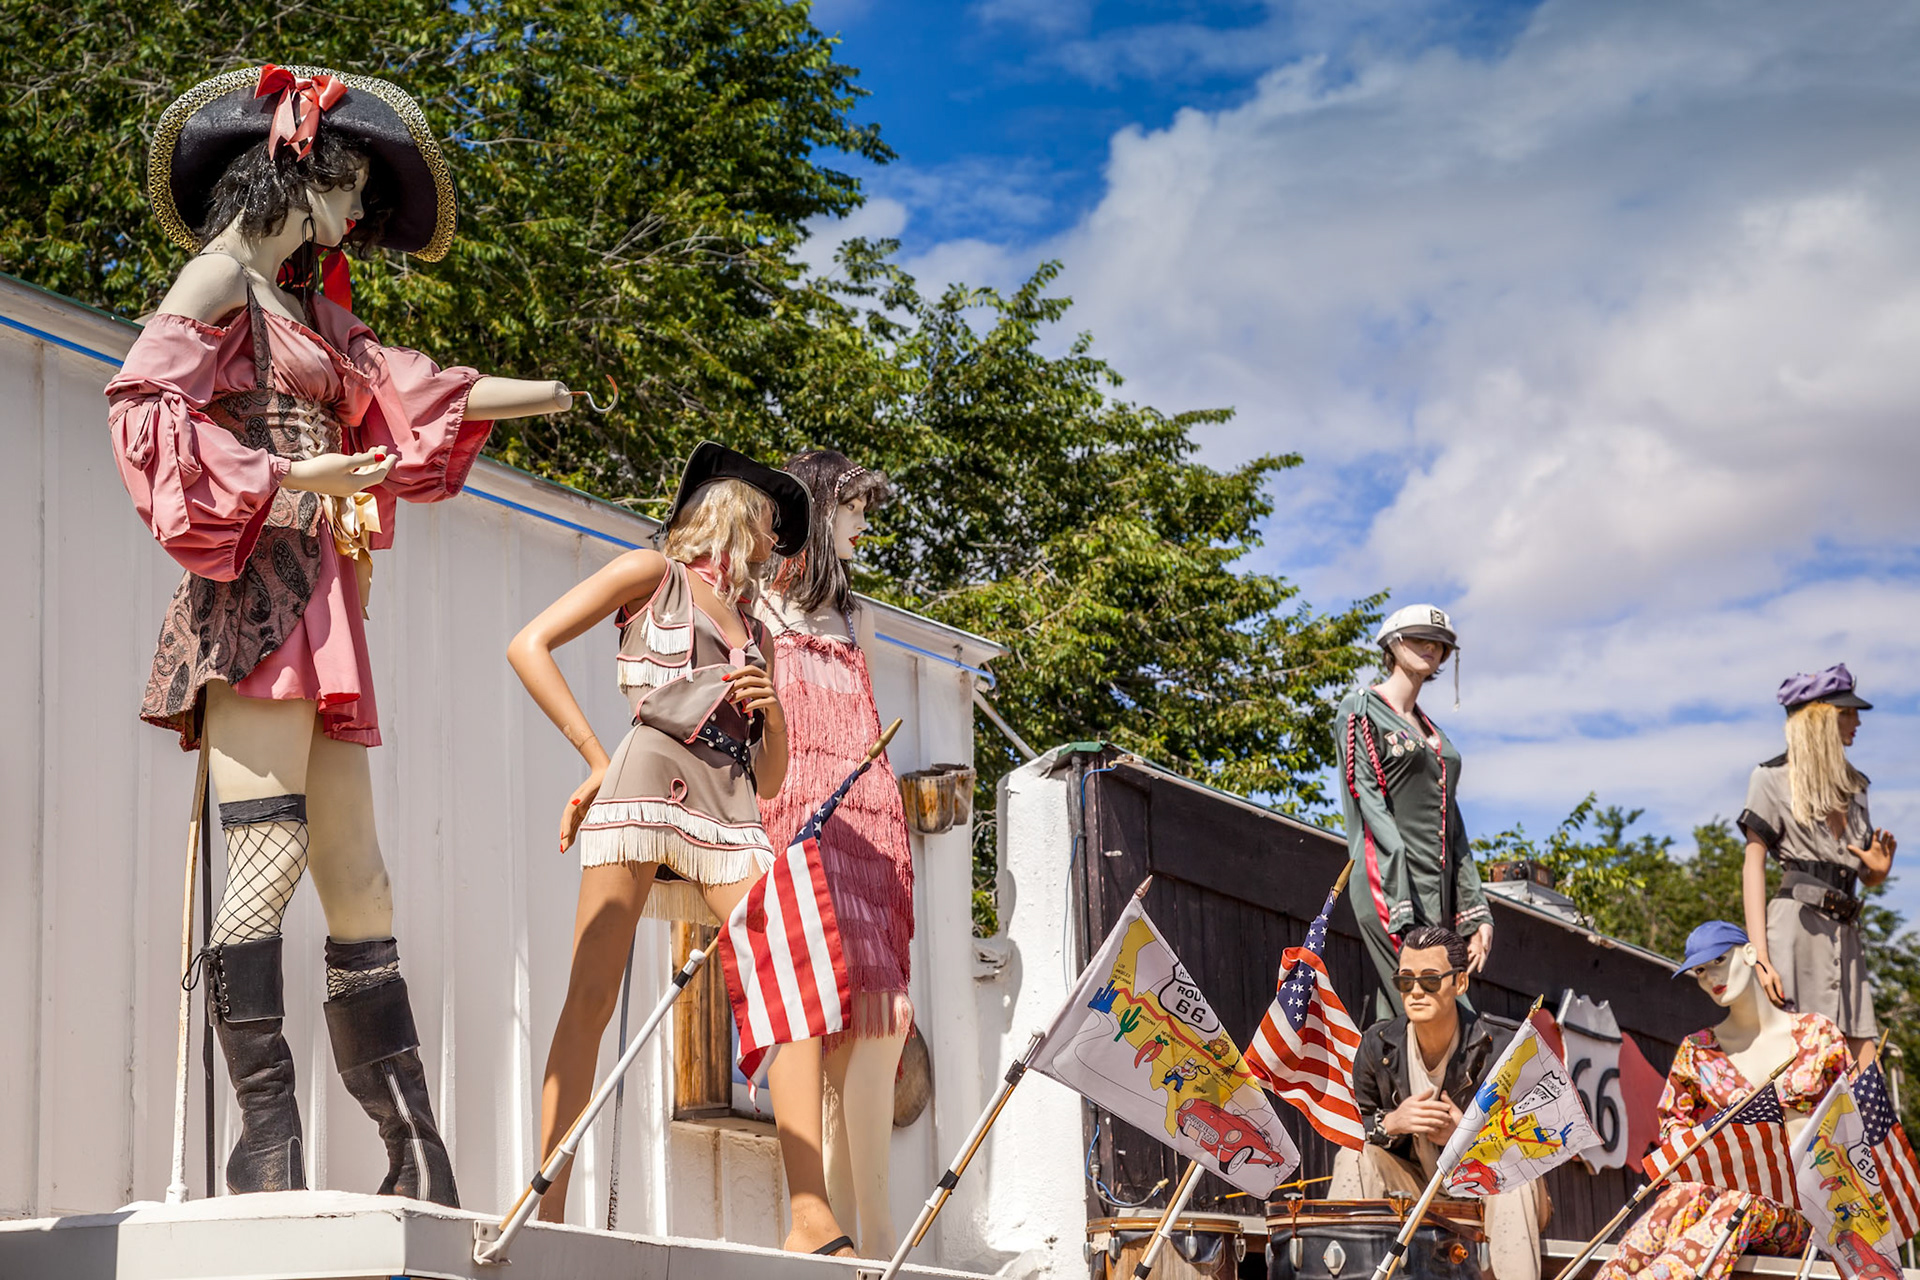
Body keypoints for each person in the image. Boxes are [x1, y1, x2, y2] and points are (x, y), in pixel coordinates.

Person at [109, 63, 578, 1203]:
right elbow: (139, 409)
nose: (357, 210)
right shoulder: (218, 275)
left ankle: (413, 1146)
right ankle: (267, 1136)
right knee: (262, 861)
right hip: (258, 598)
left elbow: (414, 392)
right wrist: (286, 472)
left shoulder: (315, 315)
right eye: (350, 183)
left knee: (358, 881)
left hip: (322, 596)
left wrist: (550, 393)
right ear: (297, 168)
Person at [508, 441, 853, 1255]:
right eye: (775, 526)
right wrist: (597, 760)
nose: (780, 547)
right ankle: (544, 1201)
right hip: (646, 776)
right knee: (591, 991)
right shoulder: (651, 575)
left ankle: (811, 1215)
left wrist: (772, 711)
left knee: (792, 985)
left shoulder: (760, 638)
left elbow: (771, 782)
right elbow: (529, 645)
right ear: (736, 513)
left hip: (730, 807)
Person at [754, 449, 914, 1257]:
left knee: (882, 1018)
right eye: (850, 507)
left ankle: (873, 1229)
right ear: (815, 507)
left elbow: (868, 723)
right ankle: (830, 1227)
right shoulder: (757, 605)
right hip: (793, 814)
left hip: (870, 815)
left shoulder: (859, 618)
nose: (861, 523)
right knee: (811, 1014)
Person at [1595, 922, 1848, 1280]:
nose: (1710, 977)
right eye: (1700, 971)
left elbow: (1853, 1126)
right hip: (1723, 1193)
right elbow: (1675, 1133)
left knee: (1739, 1203)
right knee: (1679, 1198)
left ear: (1749, 954)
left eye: (1718, 961)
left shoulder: (1817, 1035)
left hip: (1803, 1207)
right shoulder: (1698, 1051)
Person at [1333, 926, 1545, 1280]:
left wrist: (1468, 1136)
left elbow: (1538, 1141)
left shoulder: (1503, 1047)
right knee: (1353, 1156)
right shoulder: (1378, 1044)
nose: (1416, 992)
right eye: (1406, 981)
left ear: (1459, 983)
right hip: (1418, 1186)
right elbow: (1352, 1126)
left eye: (1430, 980)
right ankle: (1347, 1273)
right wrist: (1392, 1123)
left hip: (1491, 1190)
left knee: (1514, 1182)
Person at [1337, 605, 1492, 1018]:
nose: (1430, 646)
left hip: (1434, 899)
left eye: (1439, 642)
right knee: (1446, 1013)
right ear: (1391, 643)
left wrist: (1476, 914)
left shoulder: (1434, 734)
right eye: (1418, 637)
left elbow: (1453, 828)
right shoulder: (1363, 708)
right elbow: (1367, 801)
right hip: (1389, 886)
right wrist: (1399, 898)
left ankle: (1390, 1085)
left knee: (1406, 1018)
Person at [1739, 664, 1896, 1059]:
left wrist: (1875, 873)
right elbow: (1753, 864)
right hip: (1795, 931)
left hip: (1846, 933)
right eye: (1847, 712)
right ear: (1819, 720)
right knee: (1799, 1054)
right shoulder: (1770, 779)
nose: (1857, 720)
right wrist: (1759, 956)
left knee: (1862, 1056)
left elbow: (1858, 869)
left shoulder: (1856, 786)